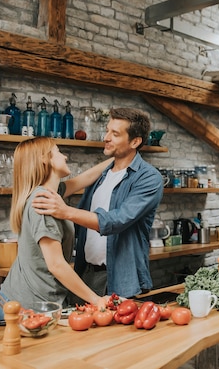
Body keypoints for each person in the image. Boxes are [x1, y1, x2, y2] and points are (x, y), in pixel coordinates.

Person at [32, 107, 163, 300]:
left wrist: (65, 211)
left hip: (120, 280)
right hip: (85, 275)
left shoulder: (149, 178)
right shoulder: (100, 176)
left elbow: (117, 220)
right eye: (107, 130)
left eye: (115, 134)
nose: (106, 137)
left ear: (135, 141)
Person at [0, 137, 112, 321]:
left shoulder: (50, 194)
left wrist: (119, 157)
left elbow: (86, 178)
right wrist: (95, 300)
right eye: (57, 151)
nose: (64, 156)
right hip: (26, 308)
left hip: (21, 302)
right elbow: (56, 264)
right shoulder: (43, 201)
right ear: (44, 158)